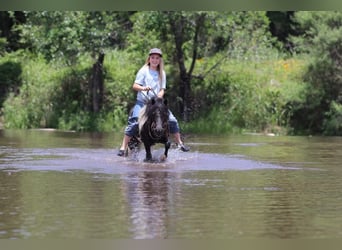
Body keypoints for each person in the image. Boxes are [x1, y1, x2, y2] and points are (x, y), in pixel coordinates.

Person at [117, 48, 190, 156]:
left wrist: (160, 96)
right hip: (143, 102)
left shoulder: (162, 73)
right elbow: (135, 86)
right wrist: (143, 88)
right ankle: (123, 147)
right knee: (134, 121)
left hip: (157, 103)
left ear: (160, 60)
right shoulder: (143, 71)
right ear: (149, 59)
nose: (155, 60)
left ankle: (179, 143)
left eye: (157, 58)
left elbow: (162, 89)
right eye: (152, 58)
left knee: (173, 120)